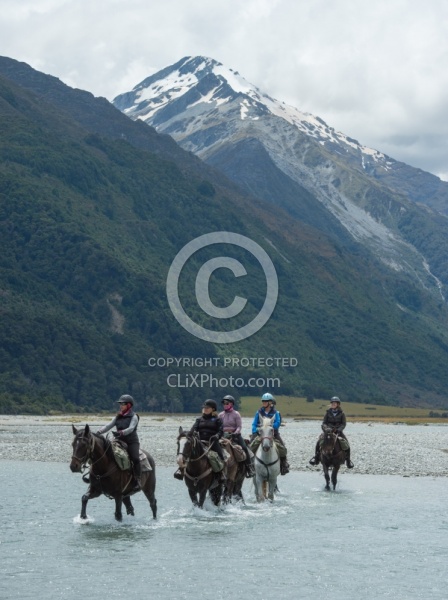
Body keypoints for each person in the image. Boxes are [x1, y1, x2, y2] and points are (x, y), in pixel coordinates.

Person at [97, 394, 142, 490]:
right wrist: (99, 431)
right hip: (119, 440)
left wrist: (121, 432)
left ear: (129, 405)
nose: (121, 406)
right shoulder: (118, 416)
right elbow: (108, 426)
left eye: (123, 404)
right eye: (120, 404)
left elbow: (131, 428)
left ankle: (138, 480)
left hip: (131, 442)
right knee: (106, 453)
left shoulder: (134, 416)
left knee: (135, 458)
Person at [174, 399, 226, 482]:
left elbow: (221, 431)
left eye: (207, 408)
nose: (205, 409)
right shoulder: (199, 419)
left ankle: (221, 473)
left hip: (212, 442)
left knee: (220, 455)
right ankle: (181, 470)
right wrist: (191, 433)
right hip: (200, 441)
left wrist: (217, 436)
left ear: (213, 409)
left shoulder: (217, 420)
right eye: (204, 407)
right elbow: (194, 429)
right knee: (187, 452)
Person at [309, 396, 354, 468]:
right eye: (332, 403)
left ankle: (348, 461)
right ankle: (316, 458)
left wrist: (339, 430)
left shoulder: (342, 413)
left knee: (346, 444)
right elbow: (324, 423)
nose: (333, 404)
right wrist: (326, 429)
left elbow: (343, 424)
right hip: (328, 432)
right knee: (318, 442)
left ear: (338, 404)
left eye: (335, 403)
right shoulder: (327, 413)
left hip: (338, 432)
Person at [251, 393, 289, 475]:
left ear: (270, 403)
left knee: (282, 448)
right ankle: (250, 465)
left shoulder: (276, 413)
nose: (264, 403)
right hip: (260, 433)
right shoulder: (258, 412)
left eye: (265, 401)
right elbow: (254, 424)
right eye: (263, 401)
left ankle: (284, 464)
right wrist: (255, 430)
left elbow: (277, 423)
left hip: (273, 434)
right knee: (250, 447)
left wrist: (269, 427)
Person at [218, 394, 255, 478]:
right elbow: (218, 427)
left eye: (227, 403)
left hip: (235, 435)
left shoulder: (236, 414)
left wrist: (235, 433)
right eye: (224, 403)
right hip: (223, 436)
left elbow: (239, 426)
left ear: (231, 404)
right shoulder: (220, 415)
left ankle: (249, 468)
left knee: (244, 448)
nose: (225, 404)